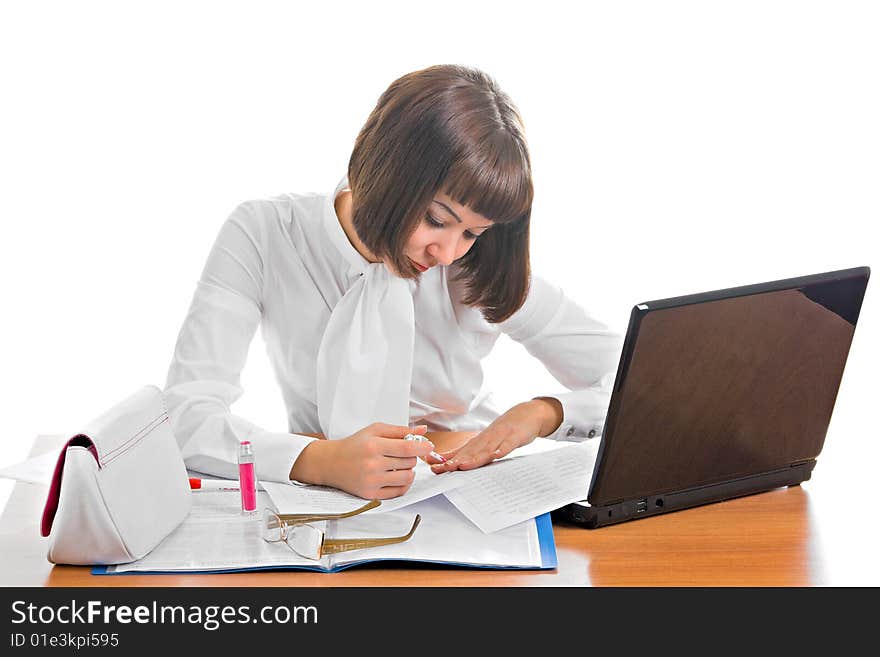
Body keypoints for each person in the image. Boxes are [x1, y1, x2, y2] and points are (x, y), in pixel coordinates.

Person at [164, 64, 623, 500]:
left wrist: (545, 413)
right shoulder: (265, 234)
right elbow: (188, 415)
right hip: (327, 499)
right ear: (387, 172)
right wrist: (320, 460)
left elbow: (632, 378)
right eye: (435, 220)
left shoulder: (475, 267)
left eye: (472, 232)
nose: (446, 253)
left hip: (471, 492)